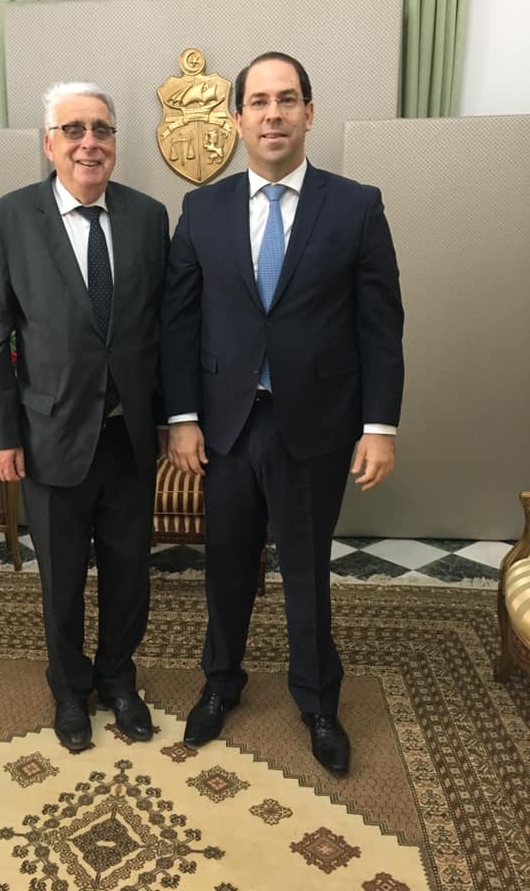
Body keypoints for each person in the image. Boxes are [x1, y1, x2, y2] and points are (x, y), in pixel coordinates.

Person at [161, 52, 404, 776]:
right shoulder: (201, 210)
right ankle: (220, 683)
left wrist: (379, 427)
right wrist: (181, 416)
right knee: (226, 568)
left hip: (317, 424)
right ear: (237, 119)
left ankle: (319, 702)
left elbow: (380, 326)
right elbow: (179, 321)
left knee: (305, 570)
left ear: (309, 113)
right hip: (226, 426)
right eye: (260, 101)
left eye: (287, 99)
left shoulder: (356, 205)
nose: (273, 113)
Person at [0, 82, 169, 752]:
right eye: (75, 129)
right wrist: (0, 433)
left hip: (128, 436)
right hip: (49, 435)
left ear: (115, 142)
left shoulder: (148, 216)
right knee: (61, 579)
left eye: (103, 129)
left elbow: (162, 328)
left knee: (128, 573)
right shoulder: (8, 219)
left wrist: (169, 418)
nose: (91, 142)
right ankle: (68, 689)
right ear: (49, 143)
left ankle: (118, 680)